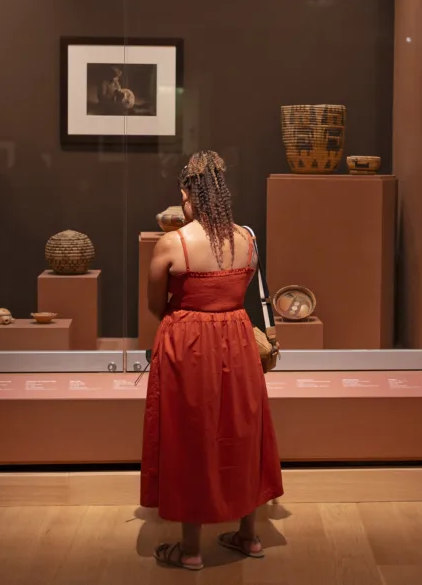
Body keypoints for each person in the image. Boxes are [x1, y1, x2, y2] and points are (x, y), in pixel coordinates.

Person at [140, 150, 284, 571]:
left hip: (187, 341)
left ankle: (190, 550)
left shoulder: (174, 242)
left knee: (190, 433)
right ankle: (250, 536)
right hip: (237, 338)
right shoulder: (247, 240)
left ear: (188, 194)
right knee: (243, 428)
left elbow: (155, 304)